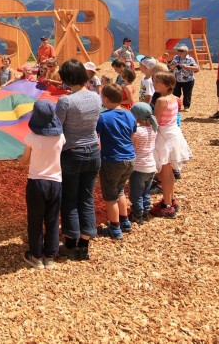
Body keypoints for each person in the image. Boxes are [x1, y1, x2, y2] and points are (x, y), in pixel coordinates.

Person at [54, 59, 102, 261]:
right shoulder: (95, 97)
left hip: (72, 152)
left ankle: (71, 242)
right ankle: (85, 243)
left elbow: (56, 127)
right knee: (87, 197)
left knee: (70, 199)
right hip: (93, 150)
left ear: (67, 79)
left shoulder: (66, 101)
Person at [18, 100, 65, 270]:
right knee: (52, 219)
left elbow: (24, 160)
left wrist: (18, 158)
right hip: (55, 182)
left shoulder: (31, 137)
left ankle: (36, 256)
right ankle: (50, 256)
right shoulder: (60, 136)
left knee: (35, 219)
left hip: (37, 182)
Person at [95, 85, 136, 240]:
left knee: (110, 195)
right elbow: (132, 135)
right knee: (120, 190)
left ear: (105, 99)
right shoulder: (129, 115)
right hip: (129, 158)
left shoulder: (104, 117)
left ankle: (115, 227)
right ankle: (125, 221)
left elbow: (96, 136)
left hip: (112, 160)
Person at [151, 72, 191, 218]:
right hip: (173, 133)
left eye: (157, 82)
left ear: (167, 85)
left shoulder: (161, 101)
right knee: (168, 172)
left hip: (164, 136)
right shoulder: (175, 98)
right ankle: (170, 199)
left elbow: (156, 122)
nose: (154, 84)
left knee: (165, 172)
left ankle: (167, 205)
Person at [128, 102, 159, 225]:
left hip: (139, 166)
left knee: (136, 192)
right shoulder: (153, 129)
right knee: (145, 191)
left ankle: (137, 213)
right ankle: (146, 210)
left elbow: (133, 148)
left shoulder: (138, 132)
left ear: (137, 117)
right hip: (151, 166)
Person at [167, 44, 200, 112]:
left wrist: (186, 67)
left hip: (188, 80)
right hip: (177, 79)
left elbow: (196, 68)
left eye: (181, 51)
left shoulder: (190, 59)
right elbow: (171, 67)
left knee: (187, 93)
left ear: (186, 52)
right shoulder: (176, 58)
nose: (179, 52)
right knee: (176, 93)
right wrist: (175, 65)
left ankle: (186, 106)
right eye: (178, 51)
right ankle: (176, 106)